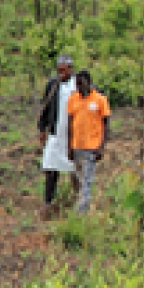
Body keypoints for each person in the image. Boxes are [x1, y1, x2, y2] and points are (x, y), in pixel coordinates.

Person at [37, 55, 79, 220]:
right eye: (59, 71)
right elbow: (45, 107)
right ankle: (48, 202)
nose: (61, 74)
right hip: (55, 133)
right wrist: (42, 129)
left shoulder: (78, 85)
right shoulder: (52, 85)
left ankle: (78, 202)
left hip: (72, 135)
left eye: (64, 71)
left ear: (71, 69)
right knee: (50, 168)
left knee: (74, 170)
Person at [67, 71, 110, 213]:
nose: (79, 86)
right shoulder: (73, 99)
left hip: (92, 147)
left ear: (89, 82)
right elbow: (70, 123)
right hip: (76, 146)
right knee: (77, 179)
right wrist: (69, 147)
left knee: (87, 181)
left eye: (81, 83)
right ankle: (80, 205)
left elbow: (106, 125)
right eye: (77, 84)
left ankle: (82, 213)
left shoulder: (100, 99)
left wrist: (101, 147)